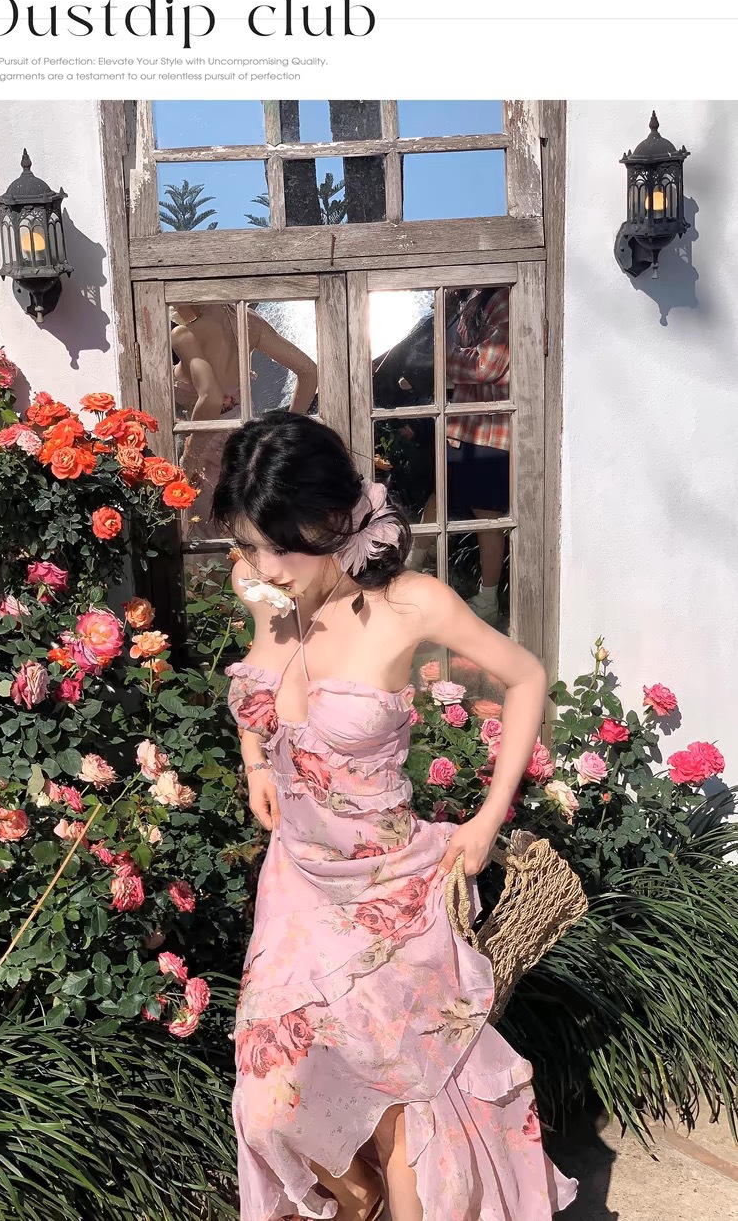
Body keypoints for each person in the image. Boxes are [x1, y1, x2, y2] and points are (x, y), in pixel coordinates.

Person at [211, 410, 577, 1221]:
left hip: (393, 892)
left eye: (280, 546)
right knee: (268, 1105)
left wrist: (486, 820)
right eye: (250, 545)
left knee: (409, 1102)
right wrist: (255, 762)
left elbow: (525, 678)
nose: (264, 567)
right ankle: (358, 1193)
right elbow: (256, 687)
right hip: (298, 888)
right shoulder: (265, 591)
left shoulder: (412, 605)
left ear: (331, 520)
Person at [170, 302, 318, 534]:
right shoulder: (247, 321)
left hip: (204, 451)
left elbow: (211, 398)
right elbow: (309, 371)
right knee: (244, 528)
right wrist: (286, 432)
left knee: (207, 534)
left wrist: (190, 458)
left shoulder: (184, 335)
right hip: (243, 444)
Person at [445, 285, 511, 627]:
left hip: (490, 427)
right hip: (462, 423)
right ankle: (410, 565)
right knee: (440, 496)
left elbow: (487, 365)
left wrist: (442, 358)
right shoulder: (464, 299)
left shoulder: (502, 298)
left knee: (487, 516)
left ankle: (488, 598)